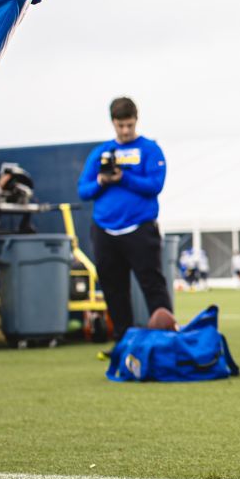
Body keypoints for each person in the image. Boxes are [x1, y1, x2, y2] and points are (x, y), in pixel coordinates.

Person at [77, 97, 170, 352]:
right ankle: (123, 344)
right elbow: (83, 190)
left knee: (152, 284)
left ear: (136, 120)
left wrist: (123, 178)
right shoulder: (100, 153)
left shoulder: (150, 149)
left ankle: (166, 341)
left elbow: (155, 185)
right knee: (113, 288)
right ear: (113, 123)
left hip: (140, 228)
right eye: (120, 125)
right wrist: (101, 181)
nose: (125, 131)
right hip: (105, 229)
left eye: (129, 125)